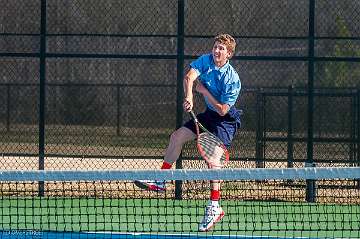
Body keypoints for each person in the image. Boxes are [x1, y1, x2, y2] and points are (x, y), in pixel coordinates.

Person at [135, 33, 242, 232]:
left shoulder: (232, 79)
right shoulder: (206, 60)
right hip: (208, 115)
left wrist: (204, 92)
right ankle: (161, 180)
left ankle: (215, 206)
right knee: (176, 137)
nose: (216, 51)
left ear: (229, 54)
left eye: (221, 49)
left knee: (214, 158)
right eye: (216, 46)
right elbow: (189, 77)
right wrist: (190, 97)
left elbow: (223, 110)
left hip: (225, 120)